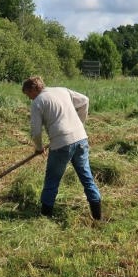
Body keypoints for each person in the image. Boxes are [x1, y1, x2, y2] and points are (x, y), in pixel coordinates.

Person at [22, 76, 102, 220]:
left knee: (52, 180)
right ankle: (98, 217)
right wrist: (79, 124)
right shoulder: (62, 90)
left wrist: (39, 148)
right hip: (81, 139)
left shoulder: (38, 102)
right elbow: (85, 101)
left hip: (61, 145)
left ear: (34, 89)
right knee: (87, 177)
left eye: (28, 94)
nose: (29, 98)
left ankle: (45, 217)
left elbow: (36, 131)